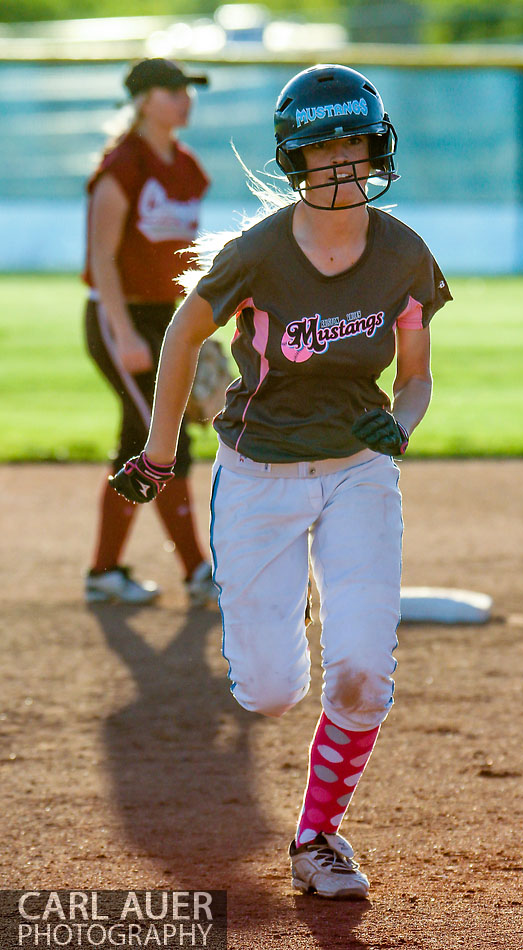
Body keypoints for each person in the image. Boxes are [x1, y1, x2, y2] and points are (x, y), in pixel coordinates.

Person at [110, 64, 452, 896]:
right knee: (267, 692)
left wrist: (398, 427)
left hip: (358, 473)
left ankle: (317, 836)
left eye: (354, 143)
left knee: (363, 671)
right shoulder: (257, 252)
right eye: (322, 145)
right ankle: (283, 591)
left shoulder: (403, 253)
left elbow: (415, 378)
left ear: (376, 147)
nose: (341, 160)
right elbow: (184, 342)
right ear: (294, 158)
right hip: (259, 474)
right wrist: (158, 458)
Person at [83, 58, 218, 607]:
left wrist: (196, 327)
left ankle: (104, 573)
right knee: (161, 440)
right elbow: (102, 257)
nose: (184, 99)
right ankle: (197, 573)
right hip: (122, 318)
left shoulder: (185, 165)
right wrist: (125, 334)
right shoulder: (123, 166)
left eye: (188, 90)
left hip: (167, 316)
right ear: (141, 99)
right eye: (171, 90)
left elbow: (182, 256)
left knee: (135, 442)